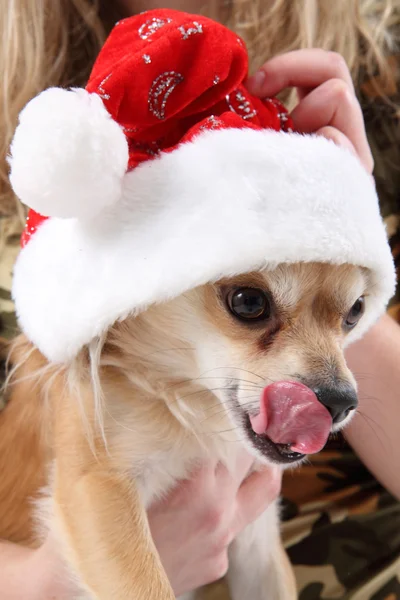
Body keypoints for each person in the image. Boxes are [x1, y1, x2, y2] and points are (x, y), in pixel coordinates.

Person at [0, 1, 399, 599]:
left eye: (350, 315)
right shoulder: (107, 363)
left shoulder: (376, 65)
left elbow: (260, 565)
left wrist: (333, 228)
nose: (330, 382)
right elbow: (95, 490)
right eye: (249, 304)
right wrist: (40, 584)